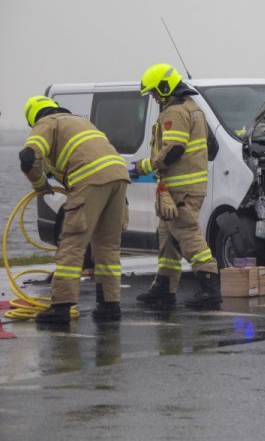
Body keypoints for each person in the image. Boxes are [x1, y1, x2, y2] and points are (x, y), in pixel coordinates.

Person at [19, 96, 130, 323]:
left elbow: (28, 157)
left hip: (90, 179)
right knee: (108, 246)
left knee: (72, 242)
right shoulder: (80, 122)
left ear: (34, 118)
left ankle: (60, 307)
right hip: (119, 177)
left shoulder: (47, 123)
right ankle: (110, 305)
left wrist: (41, 185)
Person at [131, 63, 221, 309]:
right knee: (167, 237)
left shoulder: (174, 112)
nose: (153, 97)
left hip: (181, 188)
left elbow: (173, 149)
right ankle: (164, 287)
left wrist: (143, 167)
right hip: (186, 186)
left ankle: (210, 286)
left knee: (188, 235)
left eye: (154, 92)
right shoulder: (194, 109)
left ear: (164, 87)